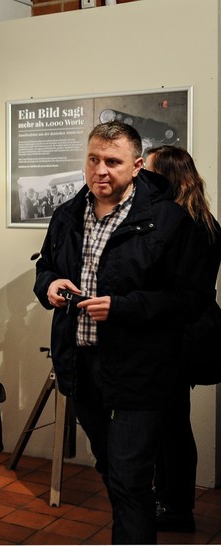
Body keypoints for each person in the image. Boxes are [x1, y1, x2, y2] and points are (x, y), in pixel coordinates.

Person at [33, 121, 210, 544]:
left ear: (135, 166)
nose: (101, 170)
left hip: (140, 369)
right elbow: (47, 268)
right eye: (93, 159)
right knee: (110, 467)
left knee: (130, 477)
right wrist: (49, 286)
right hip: (82, 363)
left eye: (112, 162)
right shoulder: (68, 213)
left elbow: (191, 298)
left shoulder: (167, 221)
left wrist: (124, 308)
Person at [144, 145, 221, 533]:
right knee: (173, 420)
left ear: (166, 177)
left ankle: (174, 505)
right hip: (194, 331)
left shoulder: (178, 224)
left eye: (150, 171)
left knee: (170, 423)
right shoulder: (202, 219)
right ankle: (172, 499)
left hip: (180, 335)